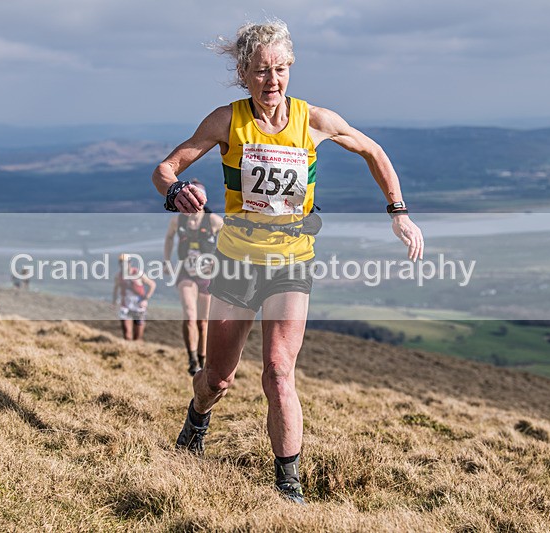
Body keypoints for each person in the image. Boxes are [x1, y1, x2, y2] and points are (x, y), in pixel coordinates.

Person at [152, 20, 424, 504]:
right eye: (261, 71)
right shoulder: (225, 120)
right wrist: (177, 191)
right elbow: (165, 168)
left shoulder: (314, 120)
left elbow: (374, 151)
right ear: (243, 72)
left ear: (290, 69)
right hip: (236, 264)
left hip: (291, 265)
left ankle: (288, 486)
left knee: (278, 370)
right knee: (218, 379)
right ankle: (198, 416)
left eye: (280, 69)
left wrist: (399, 212)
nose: (272, 80)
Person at [164, 179, 224, 375]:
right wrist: (166, 261)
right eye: (188, 198)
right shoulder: (178, 220)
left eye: (195, 198)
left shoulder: (213, 220)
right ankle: (192, 360)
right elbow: (169, 237)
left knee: (203, 321)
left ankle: (203, 359)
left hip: (207, 274)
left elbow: (227, 239)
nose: (191, 203)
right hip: (186, 272)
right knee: (190, 315)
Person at [112, 253, 157, 341]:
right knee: (127, 334)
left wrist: (146, 299)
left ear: (130, 263)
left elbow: (152, 284)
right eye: (121, 263)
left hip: (138, 306)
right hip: (125, 305)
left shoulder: (138, 273)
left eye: (125, 262)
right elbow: (115, 288)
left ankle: (136, 349)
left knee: (138, 337)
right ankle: (127, 351)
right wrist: (114, 302)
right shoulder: (118, 276)